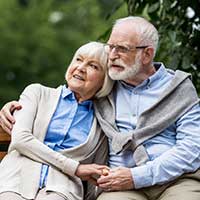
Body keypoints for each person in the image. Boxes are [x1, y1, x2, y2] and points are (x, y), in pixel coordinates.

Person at [1, 16, 200, 200]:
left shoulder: (179, 88)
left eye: (121, 49)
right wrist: (13, 107)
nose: (112, 56)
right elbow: (69, 96)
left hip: (177, 179)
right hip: (121, 186)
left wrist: (136, 176)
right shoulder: (105, 91)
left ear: (147, 54)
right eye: (110, 47)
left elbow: (191, 148)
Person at [0, 41, 114, 200]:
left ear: (105, 80)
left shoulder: (102, 122)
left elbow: (97, 177)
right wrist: (76, 168)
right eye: (78, 60)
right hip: (15, 179)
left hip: (63, 190)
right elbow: (21, 139)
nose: (81, 68)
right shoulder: (37, 93)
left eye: (93, 66)